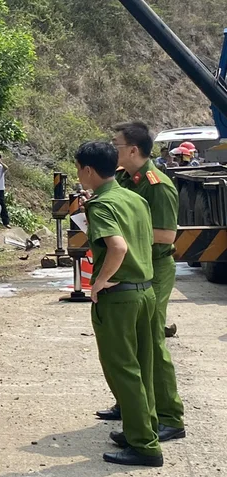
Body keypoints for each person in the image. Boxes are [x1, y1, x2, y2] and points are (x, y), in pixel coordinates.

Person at [94, 123, 186, 443]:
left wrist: (122, 237)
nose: (112, 149)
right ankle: (131, 404)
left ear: (133, 150)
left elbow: (166, 235)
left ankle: (170, 416)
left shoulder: (158, 186)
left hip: (154, 268)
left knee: (152, 341)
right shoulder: (122, 178)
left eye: (116, 145)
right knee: (125, 342)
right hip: (133, 266)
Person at [76, 141, 163, 467]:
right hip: (145, 292)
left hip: (119, 299)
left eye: (78, 169)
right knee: (143, 368)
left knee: (123, 370)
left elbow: (117, 247)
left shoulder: (101, 205)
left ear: (87, 170)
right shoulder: (136, 198)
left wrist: (98, 282)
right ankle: (143, 430)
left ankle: (144, 446)